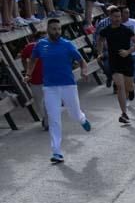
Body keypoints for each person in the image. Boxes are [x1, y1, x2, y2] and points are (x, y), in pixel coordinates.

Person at [28, 18, 92, 163]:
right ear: (48, 30)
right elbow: (32, 60)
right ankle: (56, 152)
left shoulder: (67, 45)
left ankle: (82, 119)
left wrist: (84, 71)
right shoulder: (41, 45)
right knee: (54, 119)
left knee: (74, 114)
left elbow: (82, 61)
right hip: (50, 88)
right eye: (53, 29)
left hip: (68, 85)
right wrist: (28, 74)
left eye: (59, 29)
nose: (57, 32)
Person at [97, 6, 135, 124]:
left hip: (127, 61)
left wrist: (128, 52)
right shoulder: (106, 30)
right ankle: (124, 113)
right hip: (114, 62)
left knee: (128, 87)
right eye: (115, 16)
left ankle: (132, 89)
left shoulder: (127, 30)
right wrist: (99, 53)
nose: (118, 19)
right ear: (110, 17)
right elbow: (100, 40)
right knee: (119, 86)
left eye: (119, 16)